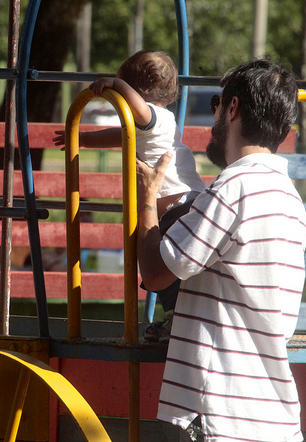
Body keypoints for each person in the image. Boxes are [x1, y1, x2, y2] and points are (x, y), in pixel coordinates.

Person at [136, 59, 306, 441]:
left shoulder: (233, 187)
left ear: (232, 109)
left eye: (217, 103)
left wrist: (146, 199)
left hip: (217, 410)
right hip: (272, 416)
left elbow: (157, 271)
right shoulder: (289, 197)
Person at [53, 50, 206, 339]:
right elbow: (118, 134)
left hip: (178, 207)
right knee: (171, 267)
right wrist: (84, 139)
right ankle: (178, 317)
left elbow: (136, 111)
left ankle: (177, 317)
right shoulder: (153, 122)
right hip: (178, 205)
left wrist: (114, 85)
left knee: (168, 265)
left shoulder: (154, 117)